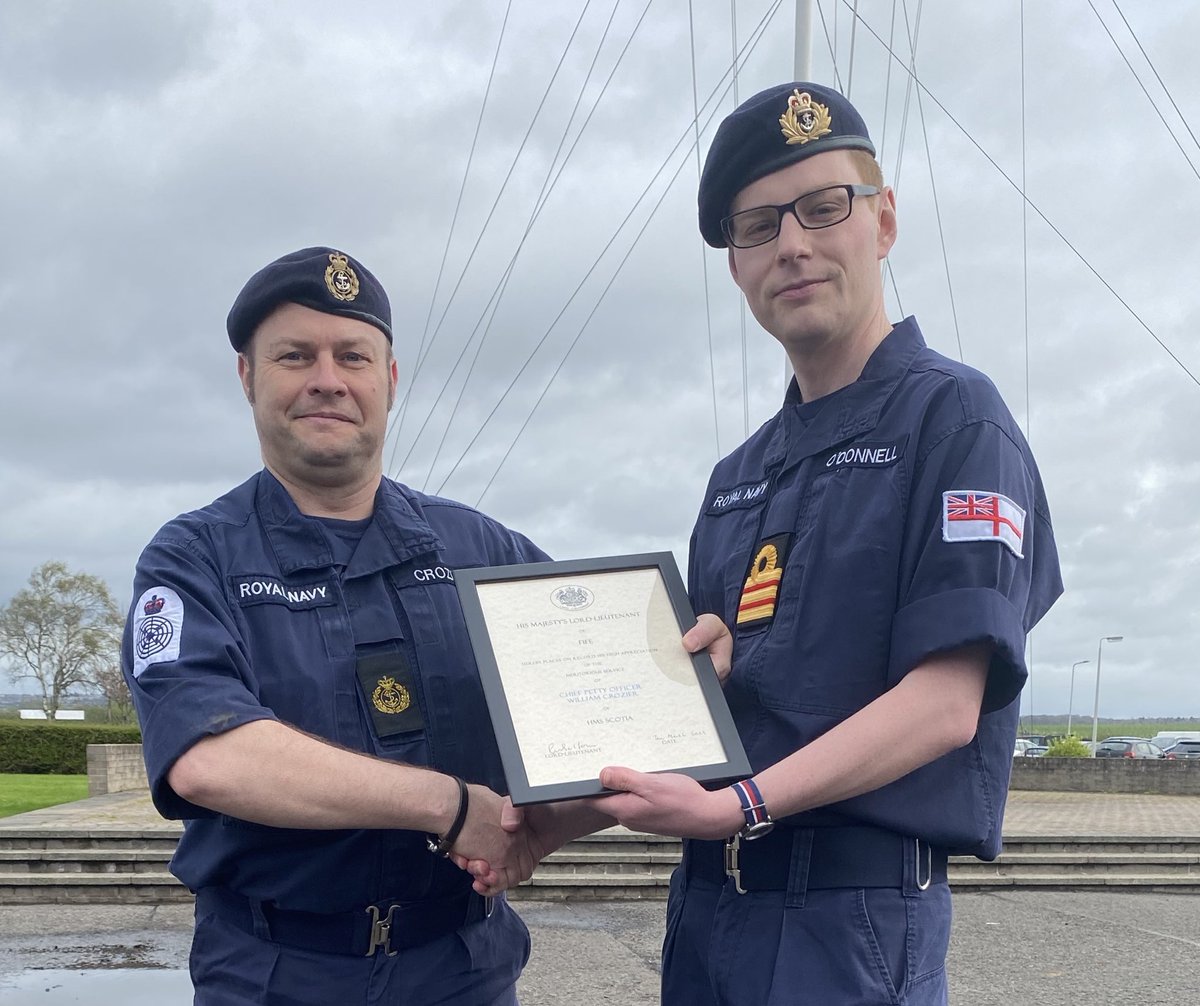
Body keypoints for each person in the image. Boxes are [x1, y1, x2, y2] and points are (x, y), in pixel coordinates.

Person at [585, 82, 1064, 1004]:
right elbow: (740, 691)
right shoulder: (738, 476)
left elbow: (946, 703)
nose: (793, 245)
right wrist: (710, 670)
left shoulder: (956, 420)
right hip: (708, 910)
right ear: (735, 265)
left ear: (882, 223)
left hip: (851, 919)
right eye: (758, 225)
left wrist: (742, 805)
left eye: (823, 207)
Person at [121, 247, 553, 1005]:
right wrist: (451, 808)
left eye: (353, 355)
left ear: (387, 381)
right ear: (249, 378)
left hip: (462, 968)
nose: (328, 379)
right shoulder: (195, 559)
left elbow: (592, 708)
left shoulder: (485, 552)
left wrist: (680, 657)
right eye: (295, 356)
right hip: (272, 971)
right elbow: (207, 756)